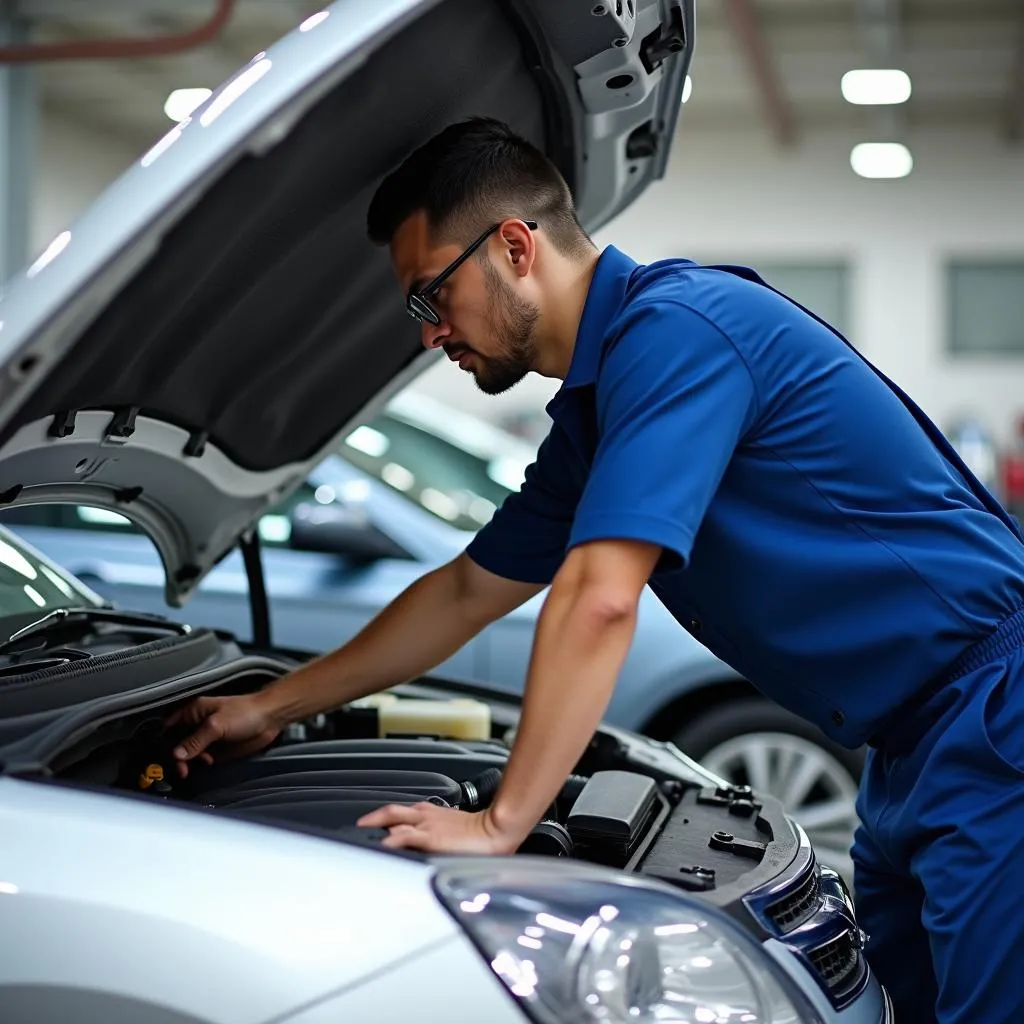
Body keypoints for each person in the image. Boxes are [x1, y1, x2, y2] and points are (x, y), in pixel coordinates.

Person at [168, 117, 1024, 1024]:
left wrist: (500, 825)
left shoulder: (677, 332)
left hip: (993, 719)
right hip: (909, 747)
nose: (429, 338)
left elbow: (601, 598)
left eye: (431, 299)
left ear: (512, 246)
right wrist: (267, 705)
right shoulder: (598, 408)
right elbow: (464, 591)